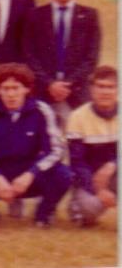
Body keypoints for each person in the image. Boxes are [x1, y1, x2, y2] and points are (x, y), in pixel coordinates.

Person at [0, 63, 71, 229]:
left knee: (64, 174)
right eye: (5, 89)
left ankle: (43, 215)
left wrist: (31, 174)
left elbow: (56, 150)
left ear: (27, 89)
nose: (11, 94)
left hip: (28, 176)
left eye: (15, 88)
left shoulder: (42, 110)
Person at [23, 0, 101, 126]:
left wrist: (68, 84)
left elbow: (91, 58)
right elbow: (29, 54)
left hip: (77, 93)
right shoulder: (35, 16)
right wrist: (50, 84)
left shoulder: (90, 16)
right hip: (43, 92)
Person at [65, 66, 117, 226]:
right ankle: (77, 205)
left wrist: (113, 165)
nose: (105, 92)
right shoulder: (77, 117)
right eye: (100, 86)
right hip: (90, 178)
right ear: (91, 89)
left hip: (116, 173)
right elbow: (77, 162)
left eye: (110, 87)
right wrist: (99, 190)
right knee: (87, 210)